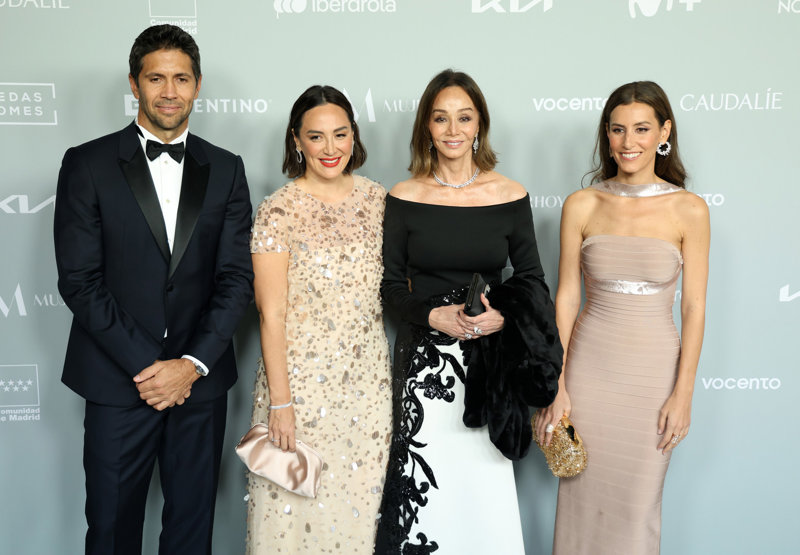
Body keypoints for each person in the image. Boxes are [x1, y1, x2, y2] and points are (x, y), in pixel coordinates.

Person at [53, 24, 253, 555]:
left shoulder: (227, 169)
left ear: (198, 85)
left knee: (191, 535)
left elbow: (236, 278)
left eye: (181, 78)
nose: (169, 91)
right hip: (118, 381)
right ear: (134, 83)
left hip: (199, 385)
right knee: (111, 533)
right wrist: (151, 368)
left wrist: (189, 365)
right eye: (156, 78)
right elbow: (79, 281)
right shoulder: (87, 163)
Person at [374, 69, 562, 554]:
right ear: (426, 126)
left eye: (464, 117)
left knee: (482, 488)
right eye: (441, 118)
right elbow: (390, 288)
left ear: (480, 124)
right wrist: (431, 316)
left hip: (489, 361)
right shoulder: (404, 197)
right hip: (423, 368)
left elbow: (533, 280)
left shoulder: (510, 195)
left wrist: (505, 316)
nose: (453, 130)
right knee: (428, 488)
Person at [535, 81, 710, 554]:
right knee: (581, 503)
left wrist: (683, 393)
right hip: (588, 372)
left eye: (641, 129)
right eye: (617, 130)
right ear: (607, 135)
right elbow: (566, 299)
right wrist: (557, 383)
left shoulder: (689, 210)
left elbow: (694, 307)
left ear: (664, 132)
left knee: (636, 510)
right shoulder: (582, 204)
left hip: (652, 378)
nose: (628, 141)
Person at [245, 85, 392, 554]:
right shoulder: (277, 210)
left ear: (354, 136)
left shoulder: (379, 201)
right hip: (300, 392)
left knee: (360, 519)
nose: (330, 148)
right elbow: (271, 314)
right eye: (316, 136)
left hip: (369, 390)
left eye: (340, 134)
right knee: (293, 521)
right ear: (296, 140)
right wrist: (281, 404)